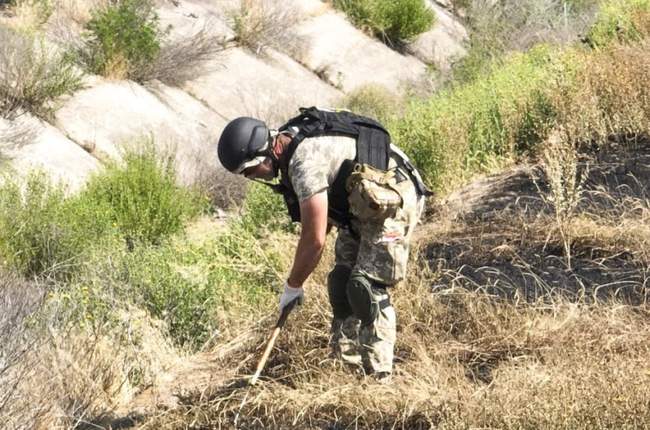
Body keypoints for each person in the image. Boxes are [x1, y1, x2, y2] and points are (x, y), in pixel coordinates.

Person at [217, 107, 428, 382]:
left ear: (264, 154)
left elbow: (314, 239)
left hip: (395, 202)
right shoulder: (289, 145)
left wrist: (293, 285)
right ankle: (346, 367)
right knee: (341, 282)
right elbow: (324, 216)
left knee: (365, 287)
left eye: (251, 170)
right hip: (362, 206)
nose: (254, 177)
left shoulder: (303, 162)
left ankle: (379, 378)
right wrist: (297, 278)